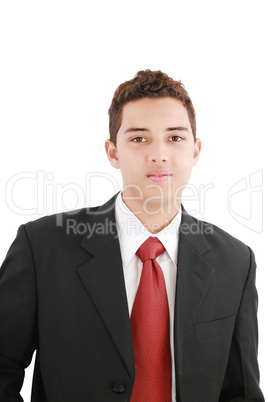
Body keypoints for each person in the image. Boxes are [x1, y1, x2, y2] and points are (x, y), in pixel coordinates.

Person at [0, 70, 265, 402]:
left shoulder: (236, 262)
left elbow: (240, 392)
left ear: (196, 151)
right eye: (139, 138)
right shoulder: (41, 248)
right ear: (113, 152)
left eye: (175, 137)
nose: (158, 154)